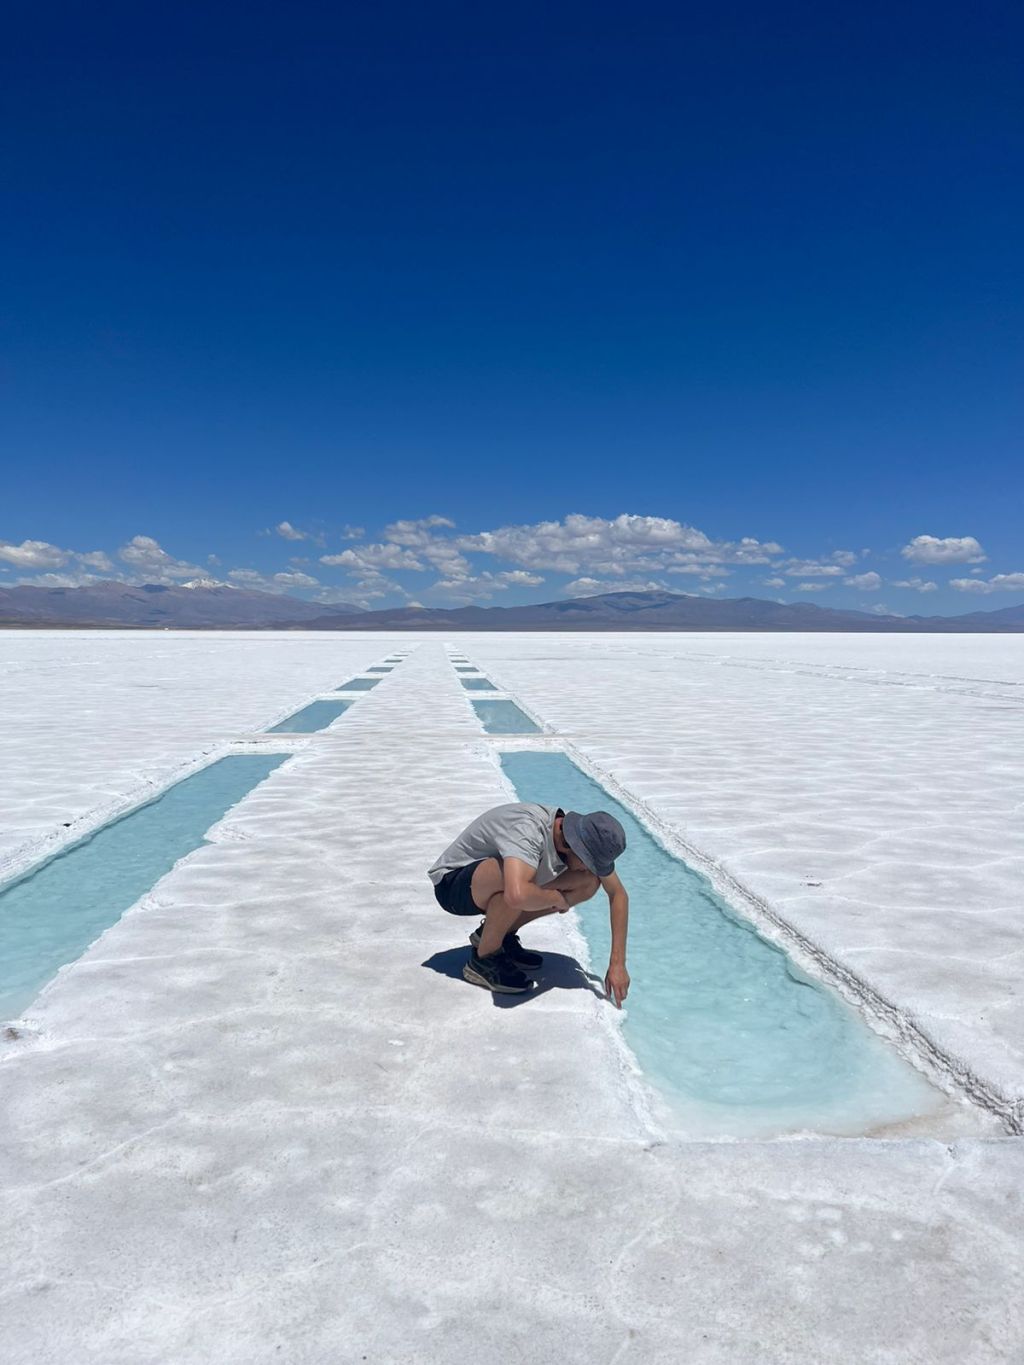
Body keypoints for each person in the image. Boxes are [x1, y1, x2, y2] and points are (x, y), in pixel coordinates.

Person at [428, 801, 630, 1002]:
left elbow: (618, 894)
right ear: (572, 845)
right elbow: (516, 895)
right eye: (589, 863)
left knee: (588, 882)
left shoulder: (579, 830)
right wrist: (557, 899)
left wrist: (617, 964)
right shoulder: (528, 830)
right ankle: (484, 958)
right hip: (453, 884)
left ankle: (497, 934)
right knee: (518, 885)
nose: (588, 869)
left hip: (491, 882)